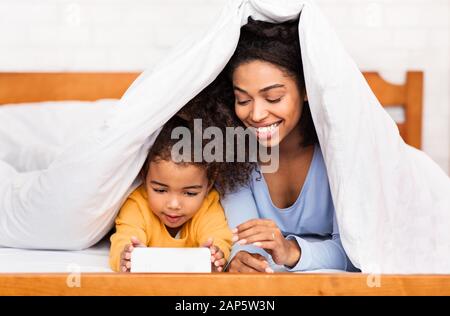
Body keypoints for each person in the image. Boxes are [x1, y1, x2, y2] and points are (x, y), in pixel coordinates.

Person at [213, 18, 356, 272]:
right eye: (243, 100)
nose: (256, 114)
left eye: (273, 97)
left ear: (306, 89)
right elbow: (244, 241)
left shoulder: (341, 153)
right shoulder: (234, 156)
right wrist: (243, 258)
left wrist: (291, 251)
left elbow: (356, 254)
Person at [109, 107, 240, 272]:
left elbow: (219, 236)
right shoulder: (136, 203)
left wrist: (215, 255)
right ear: (144, 176)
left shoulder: (208, 204)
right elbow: (124, 237)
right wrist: (126, 255)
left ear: (209, 183)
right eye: (160, 190)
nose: (173, 204)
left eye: (190, 193)